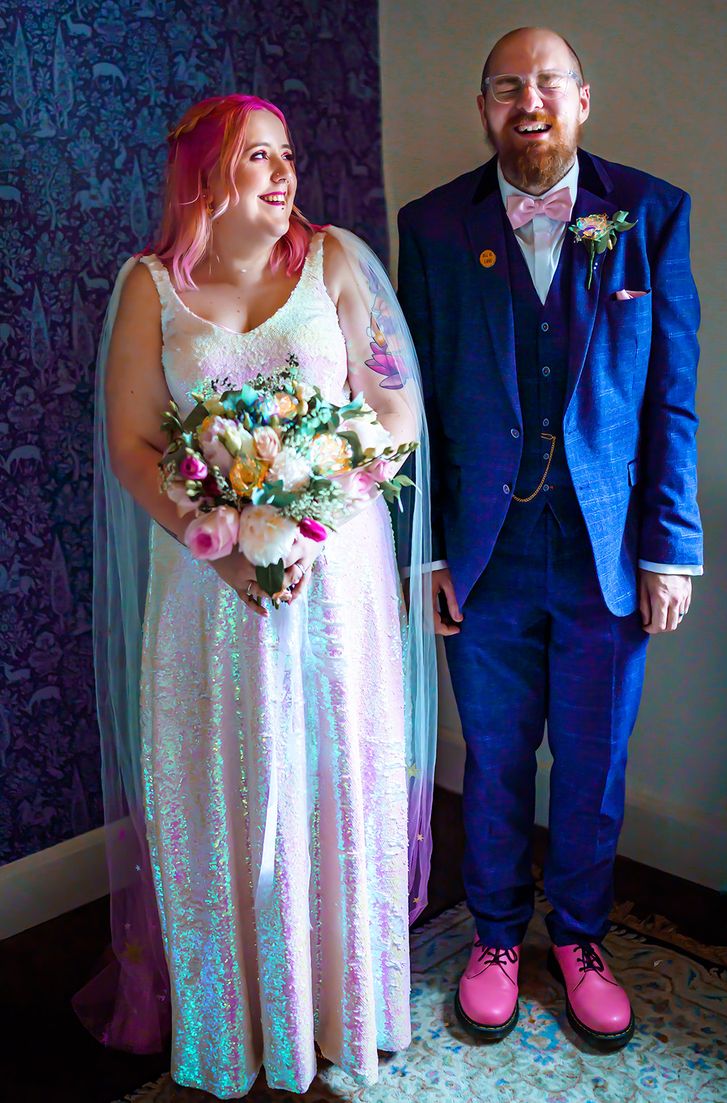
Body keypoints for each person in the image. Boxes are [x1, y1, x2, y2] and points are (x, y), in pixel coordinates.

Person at [78, 94, 436, 1097]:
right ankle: (237, 1020)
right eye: (257, 158)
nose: (283, 175)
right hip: (207, 590)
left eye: (286, 155)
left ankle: (341, 1007)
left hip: (333, 580)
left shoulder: (334, 265)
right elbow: (137, 444)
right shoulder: (150, 288)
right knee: (227, 785)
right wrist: (215, 541)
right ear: (204, 178)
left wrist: (323, 499)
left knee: (331, 778)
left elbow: (392, 411)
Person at [397, 26, 702, 1050]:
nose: (528, 103)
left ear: (582, 100)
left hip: (607, 554)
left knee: (593, 758)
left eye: (547, 85)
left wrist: (670, 546)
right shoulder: (434, 226)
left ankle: (578, 937)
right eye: (505, 87)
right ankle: (491, 936)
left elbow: (672, 396)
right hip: (483, 554)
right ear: (484, 107)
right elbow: (414, 407)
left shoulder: (650, 213)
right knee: (492, 758)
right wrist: (425, 549)